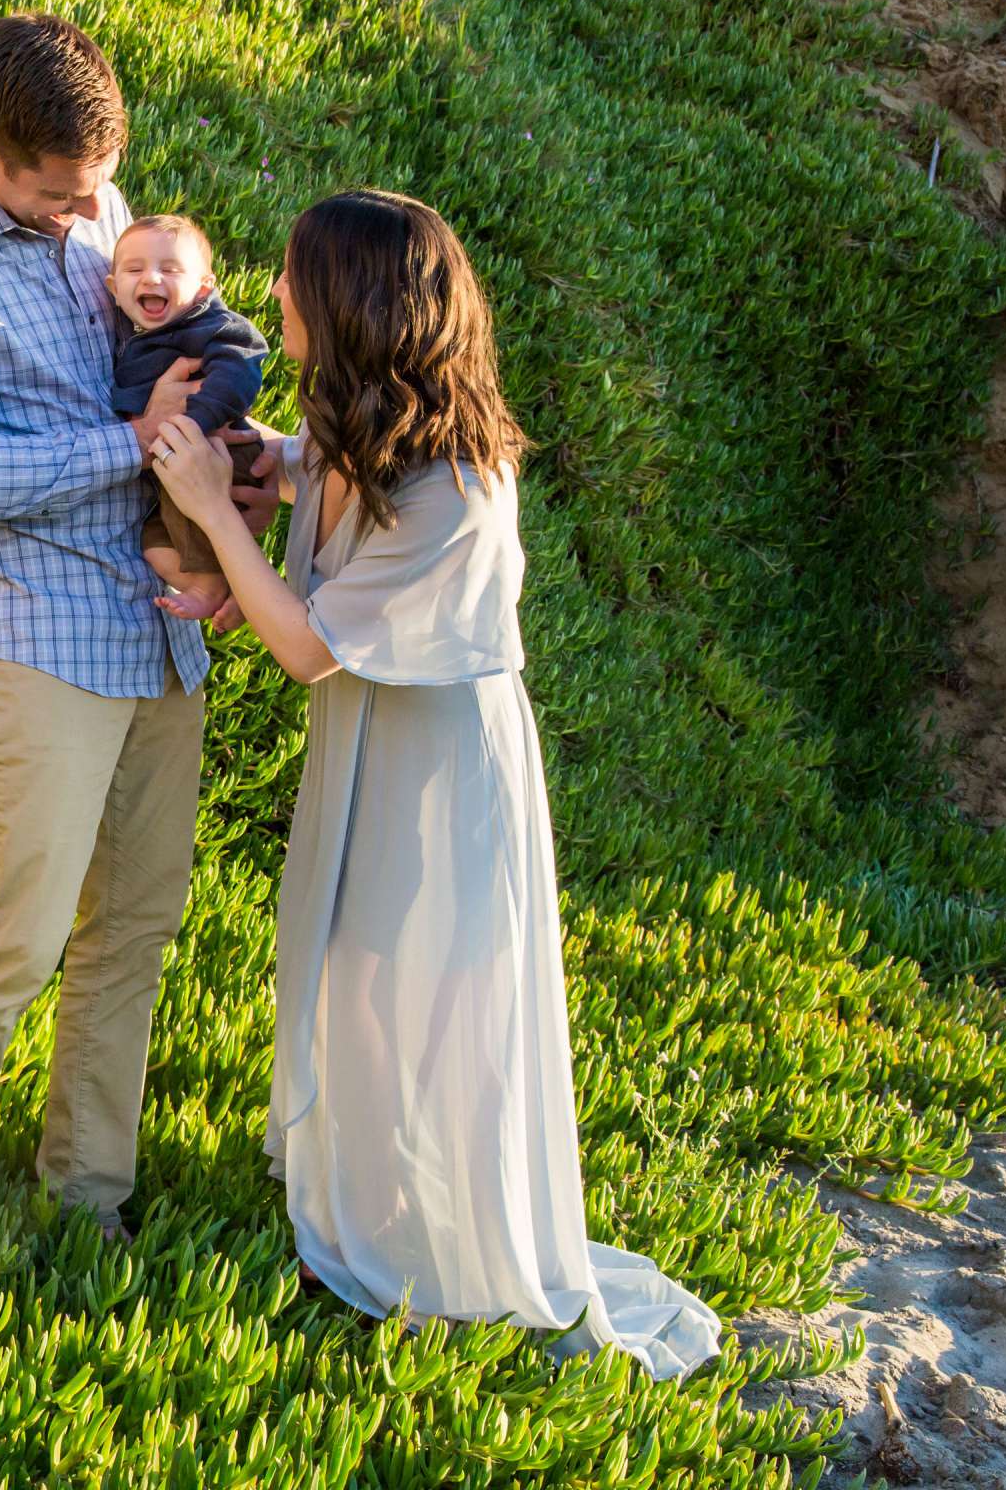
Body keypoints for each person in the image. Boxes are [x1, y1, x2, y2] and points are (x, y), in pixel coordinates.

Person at [146, 188, 722, 1379]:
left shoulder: (460, 490)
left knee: (425, 995)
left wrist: (217, 509)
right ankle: (369, 1211)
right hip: (375, 744)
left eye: (298, 282)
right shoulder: (380, 433)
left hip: (440, 769)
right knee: (360, 980)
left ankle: (436, 1246)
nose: (280, 298)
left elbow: (308, 643)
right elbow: (338, 480)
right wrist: (273, 468)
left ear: (352, 306)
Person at [0, 13, 280, 1303]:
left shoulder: (93, 198)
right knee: (17, 941)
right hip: (37, 632)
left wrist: (229, 468)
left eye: (101, 187)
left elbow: (173, 341)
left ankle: (85, 1201)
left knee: (133, 932)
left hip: (158, 629)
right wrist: (145, 445)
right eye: (60, 193)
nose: (91, 214)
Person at [106, 214, 269, 621]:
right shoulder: (137, 339)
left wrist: (196, 422)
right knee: (154, 544)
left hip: (215, 453)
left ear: (203, 287)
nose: (151, 279)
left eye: (170, 269)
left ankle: (212, 585)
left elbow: (239, 371)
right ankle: (222, 582)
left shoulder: (214, 328)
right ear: (113, 288)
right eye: (134, 269)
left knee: (190, 518)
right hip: (174, 469)